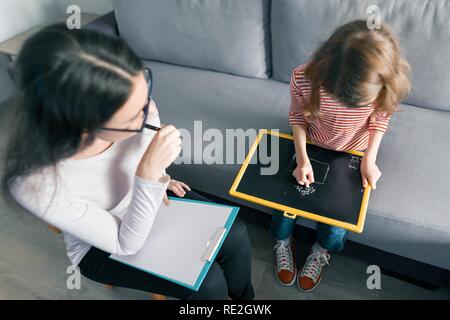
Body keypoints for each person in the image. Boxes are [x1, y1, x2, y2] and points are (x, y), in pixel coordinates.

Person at [1, 24, 254, 300]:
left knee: (236, 233)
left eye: (145, 96)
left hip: (150, 195)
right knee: (207, 284)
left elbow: (147, 153)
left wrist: (162, 179)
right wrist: (149, 175)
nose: (147, 112)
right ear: (81, 126)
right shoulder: (34, 184)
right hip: (103, 246)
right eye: (134, 115)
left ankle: (245, 301)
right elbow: (125, 244)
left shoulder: (133, 102)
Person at [270, 20, 411, 292]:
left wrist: (369, 158)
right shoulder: (303, 77)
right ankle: (281, 241)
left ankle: (321, 250)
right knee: (284, 202)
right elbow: (297, 116)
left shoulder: (384, 85)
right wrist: (302, 158)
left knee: (338, 220)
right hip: (310, 143)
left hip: (353, 151)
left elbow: (379, 121)